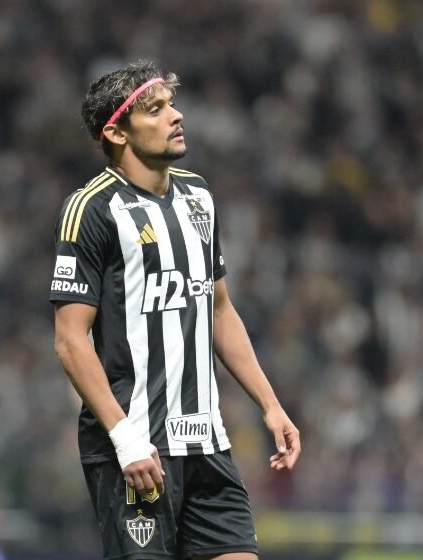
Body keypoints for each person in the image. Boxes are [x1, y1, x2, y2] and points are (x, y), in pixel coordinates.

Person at [50, 60, 300, 559]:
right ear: (116, 132)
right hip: (136, 447)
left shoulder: (199, 196)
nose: (176, 115)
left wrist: (270, 404)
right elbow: (70, 341)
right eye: (156, 109)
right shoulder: (91, 209)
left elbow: (219, 310)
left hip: (207, 441)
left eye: (172, 104)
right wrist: (125, 439)